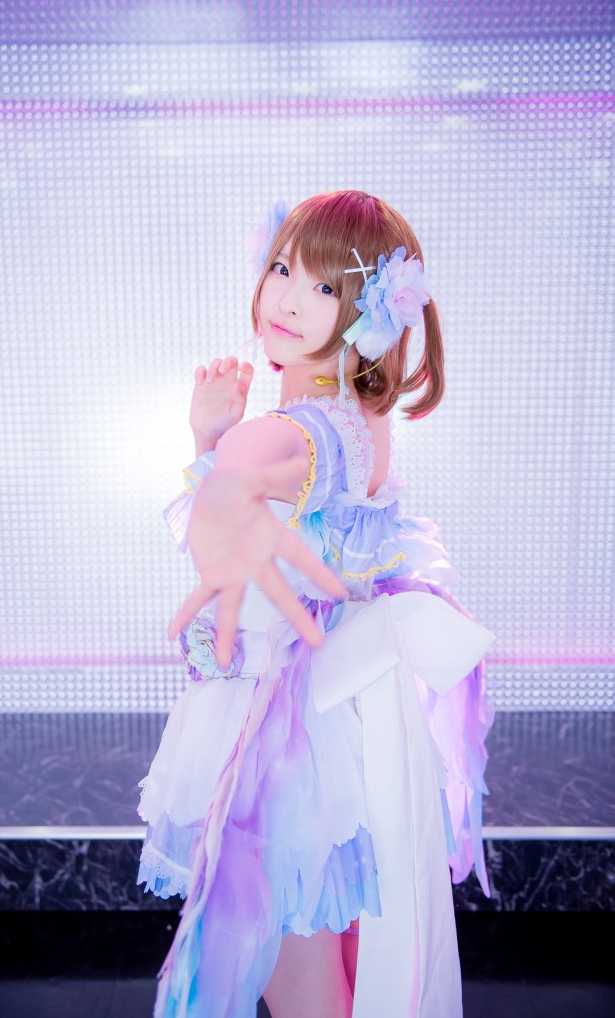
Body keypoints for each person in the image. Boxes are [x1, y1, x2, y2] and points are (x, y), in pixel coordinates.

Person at [137, 190, 496, 1018]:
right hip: (323, 724)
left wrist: (222, 462)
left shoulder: (304, 430)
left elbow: (256, 476)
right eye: (281, 268)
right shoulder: (355, 417)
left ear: (370, 311)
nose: (288, 299)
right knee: (321, 958)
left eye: (326, 286)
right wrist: (214, 450)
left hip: (283, 739)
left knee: (293, 970)